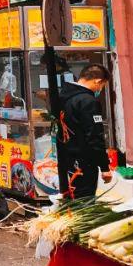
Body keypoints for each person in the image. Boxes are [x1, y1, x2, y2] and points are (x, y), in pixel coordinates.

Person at [57, 64, 112, 199]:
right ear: (97, 81)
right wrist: (105, 167)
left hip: (67, 159)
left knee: (71, 198)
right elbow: (94, 136)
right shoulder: (88, 101)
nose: (100, 89)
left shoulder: (64, 97)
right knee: (83, 201)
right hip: (84, 162)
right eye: (102, 85)